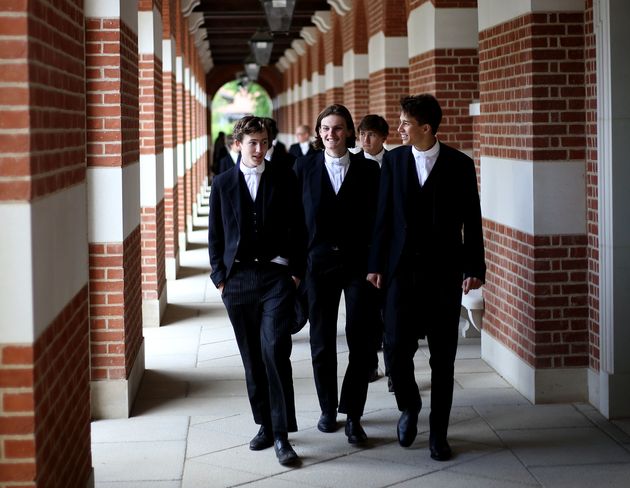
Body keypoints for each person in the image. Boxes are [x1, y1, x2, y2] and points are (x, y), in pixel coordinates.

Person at [367, 94, 486, 461]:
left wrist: (474, 268)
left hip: (443, 272)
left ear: (426, 129)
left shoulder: (460, 165)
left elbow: (472, 219)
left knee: (443, 358)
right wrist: (376, 263)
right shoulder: (395, 161)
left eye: (405, 123)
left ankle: (439, 433)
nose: (398, 128)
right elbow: (383, 216)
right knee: (396, 348)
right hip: (400, 271)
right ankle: (410, 405)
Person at [208, 116, 306, 466]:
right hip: (237, 281)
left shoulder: (284, 176)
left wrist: (295, 273)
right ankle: (264, 424)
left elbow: (299, 225)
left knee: (275, 350)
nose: (259, 149)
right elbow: (216, 235)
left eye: (264, 142)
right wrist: (220, 278)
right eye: (252, 143)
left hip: (276, 277)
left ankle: (282, 435)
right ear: (238, 144)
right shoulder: (222, 183)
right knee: (252, 358)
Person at [294, 104, 380, 445]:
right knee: (321, 341)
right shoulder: (303, 168)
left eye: (339, 128)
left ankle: (354, 414)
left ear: (349, 133)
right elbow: (294, 223)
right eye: (326, 129)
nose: (332, 134)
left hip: (359, 267)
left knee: (362, 341)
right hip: (317, 266)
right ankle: (328, 408)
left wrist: (376, 265)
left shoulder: (370, 171)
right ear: (319, 133)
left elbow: (378, 222)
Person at [357, 114, 390, 387]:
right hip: (363, 251)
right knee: (366, 315)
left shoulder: (395, 163)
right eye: (362, 135)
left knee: (391, 313)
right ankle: (370, 366)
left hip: (390, 251)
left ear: (383, 138)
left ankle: (394, 370)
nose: (365, 140)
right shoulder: (353, 164)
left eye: (371, 135)